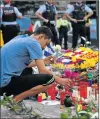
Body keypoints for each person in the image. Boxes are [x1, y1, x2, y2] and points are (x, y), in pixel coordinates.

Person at [1, 26, 71, 103]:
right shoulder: (34, 43)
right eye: (46, 43)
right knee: (50, 80)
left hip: (3, 80)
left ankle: (14, 98)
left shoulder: (21, 38)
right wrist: (59, 80)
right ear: (41, 37)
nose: (44, 47)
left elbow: (23, 64)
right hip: (4, 84)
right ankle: (15, 100)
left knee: (27, 71)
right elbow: (42, 71)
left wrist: (44, 61)